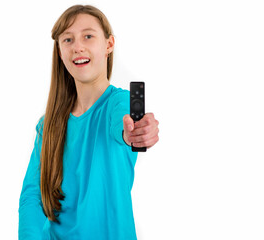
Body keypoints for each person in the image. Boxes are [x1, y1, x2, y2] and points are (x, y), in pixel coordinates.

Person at [18, 5, 159, 239]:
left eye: (88, 36)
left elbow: (123, 124)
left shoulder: (120, 103)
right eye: (68, 39)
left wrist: (136, 133)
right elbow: (32, 196)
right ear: (60, 51)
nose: (77, 47)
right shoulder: (48, 125)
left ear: (109, 45)